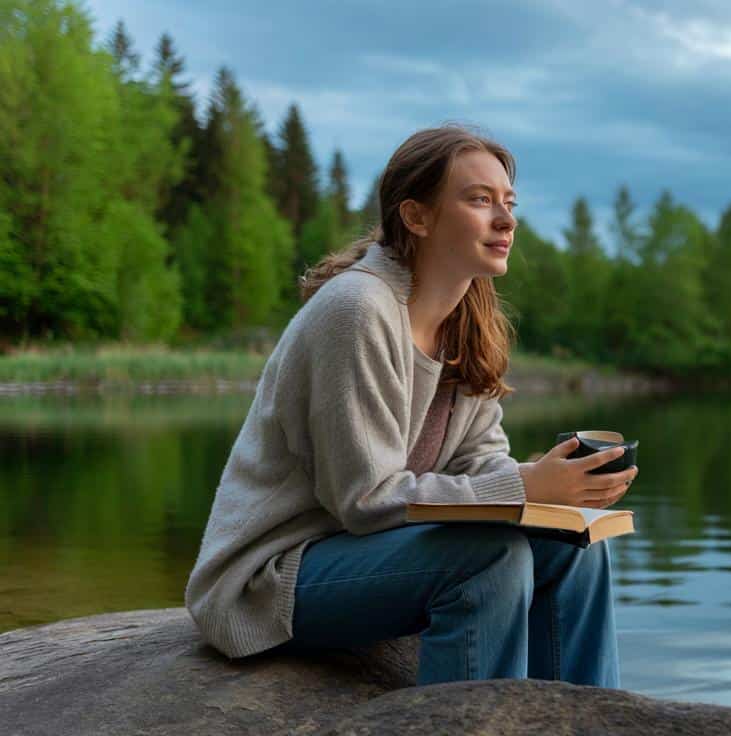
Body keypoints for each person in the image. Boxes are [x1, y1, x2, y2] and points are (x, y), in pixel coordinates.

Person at [184, 124, 638, 687]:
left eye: (508, 203)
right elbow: (366, 501)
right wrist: (524, 486)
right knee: (492, 560)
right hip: (276, 576)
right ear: (417, 217)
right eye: (479, 200)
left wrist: (558, 491)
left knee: (575, 545)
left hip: (379, 559)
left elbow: (482, 460)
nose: (506, 220)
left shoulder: (467, 321)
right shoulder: (357, 310)